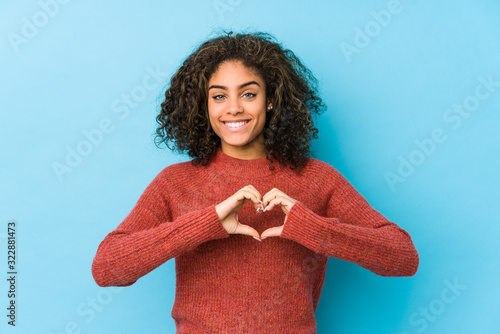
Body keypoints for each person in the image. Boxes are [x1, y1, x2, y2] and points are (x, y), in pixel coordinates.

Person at [91, 31, 419, 333]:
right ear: (203, 106)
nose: (233, 108)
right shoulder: (176, 183)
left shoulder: (317, 178)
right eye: (218, 96)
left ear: (271, 99)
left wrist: (312, 228)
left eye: (248, 94)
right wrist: (207, 223)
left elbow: (402, 257)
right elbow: (107, 268)